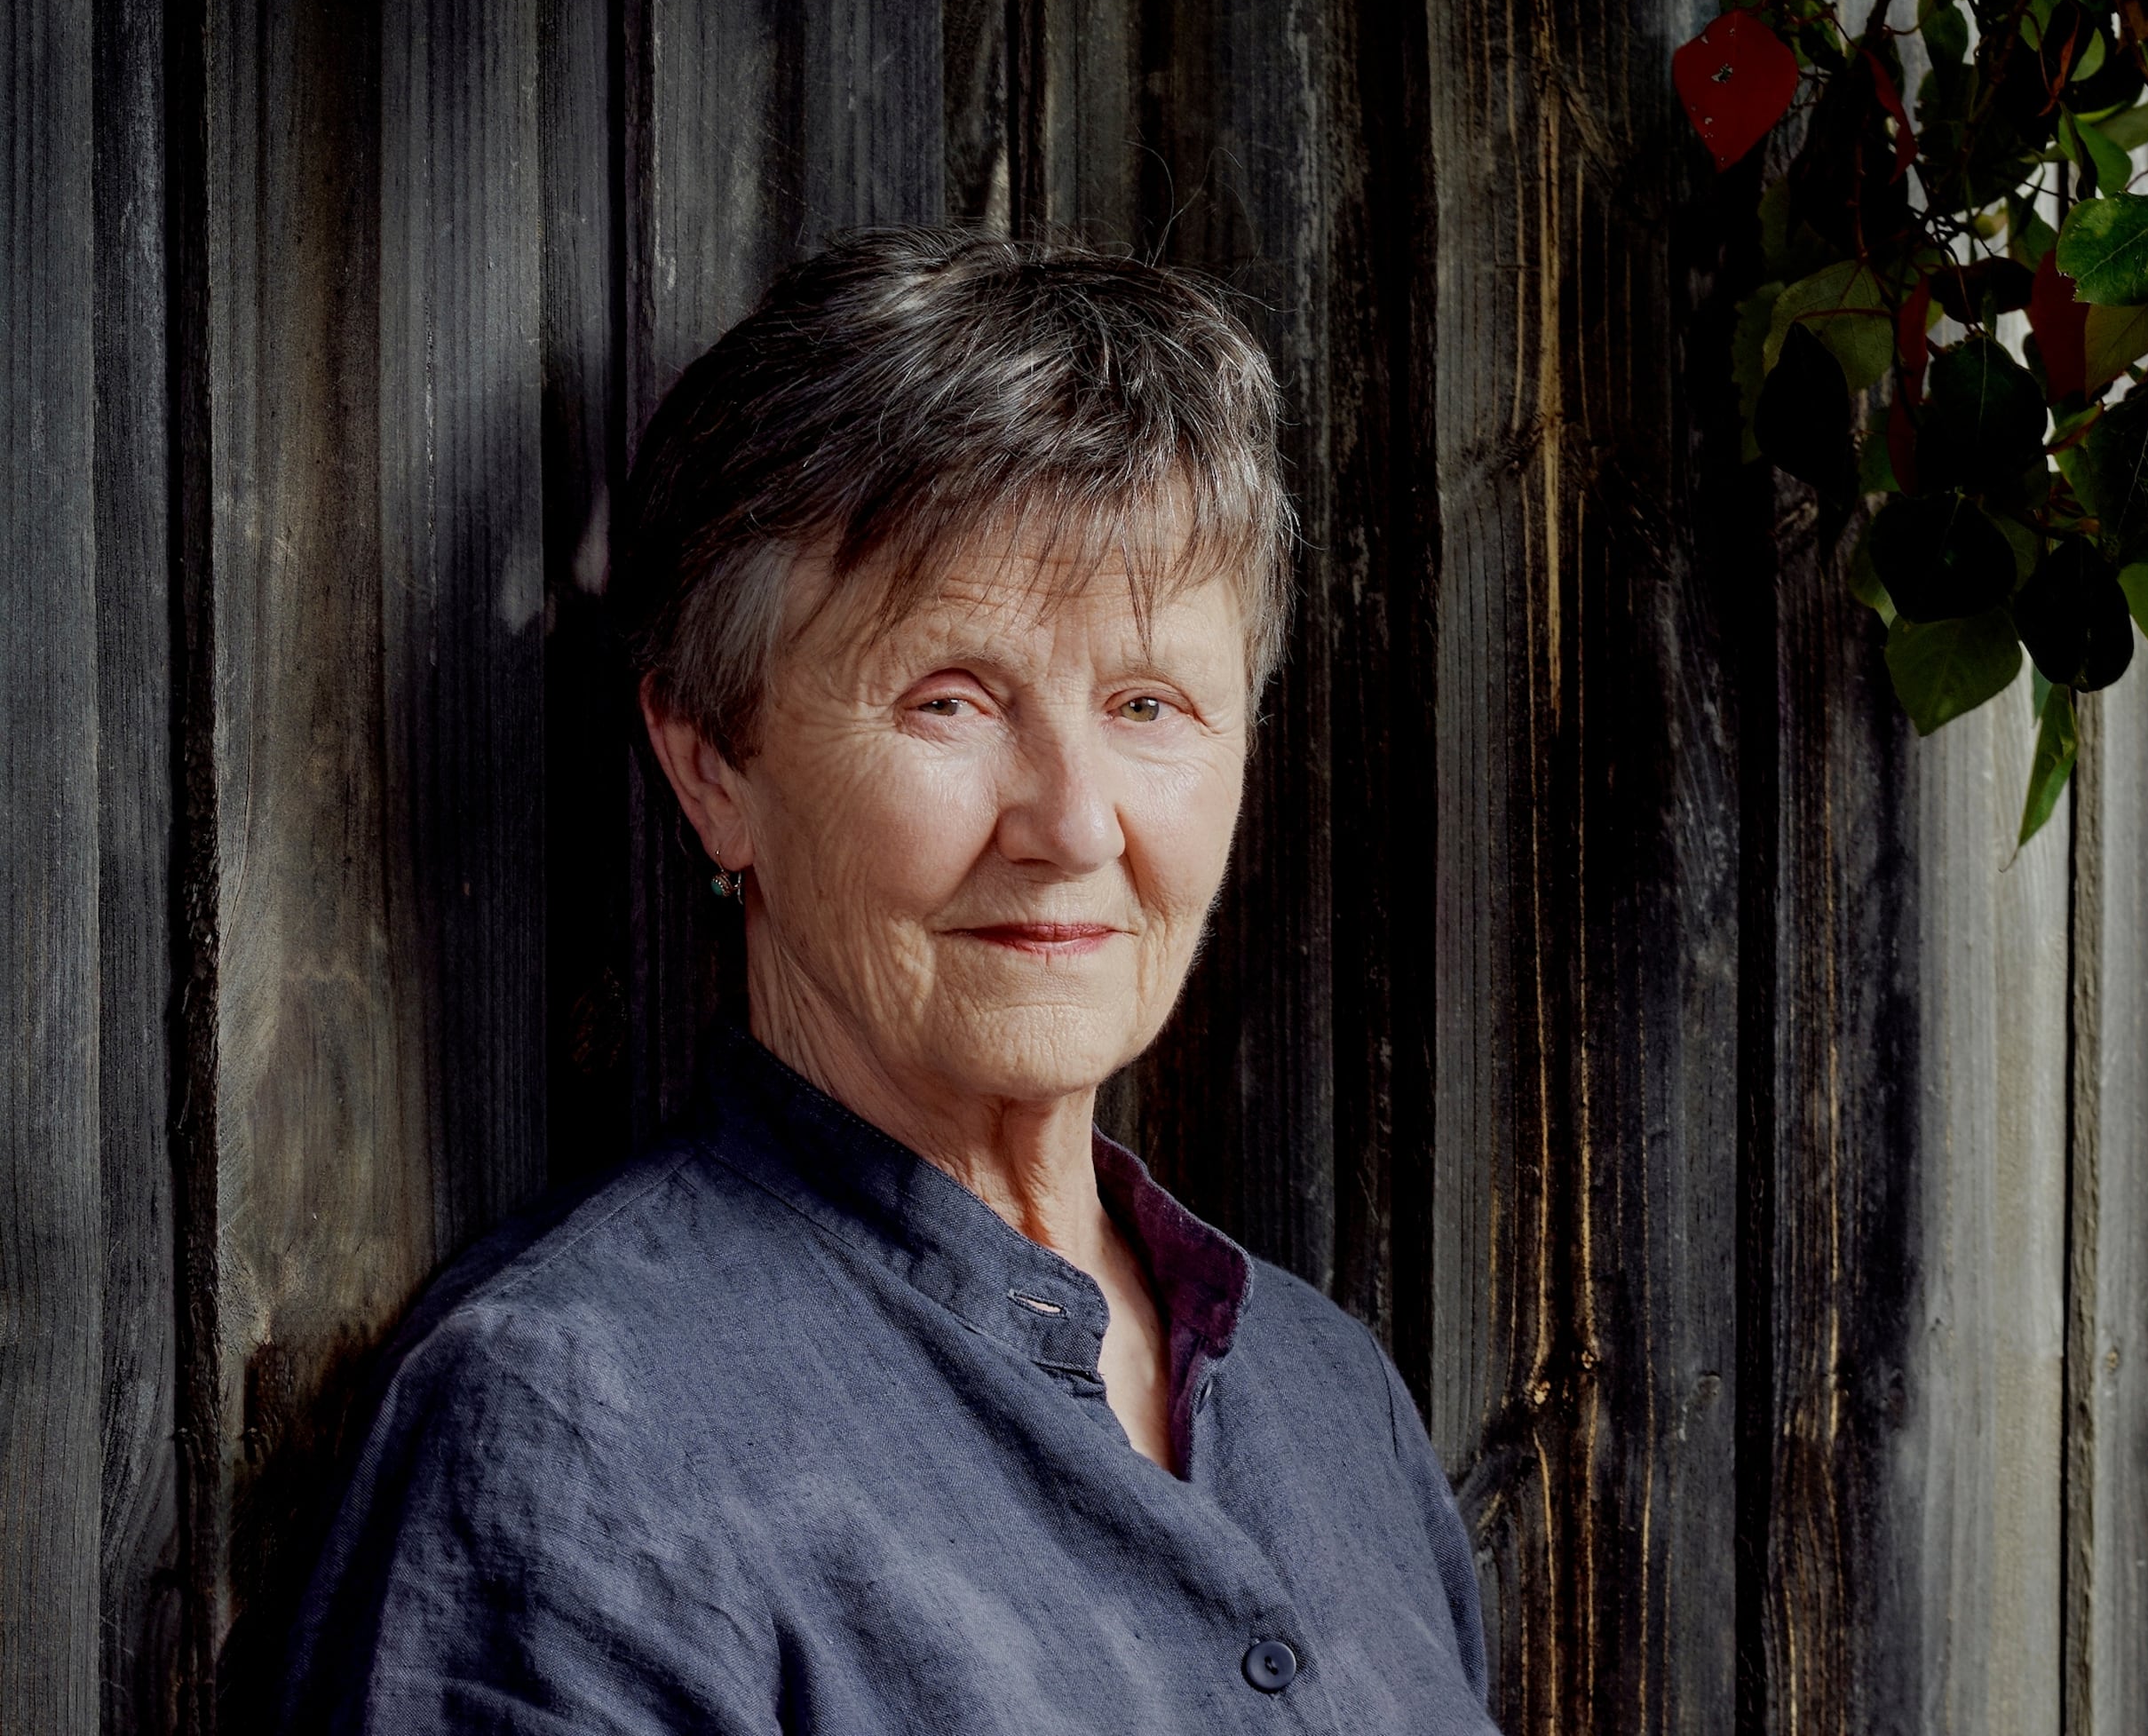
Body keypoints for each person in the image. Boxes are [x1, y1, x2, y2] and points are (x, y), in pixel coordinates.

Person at [279, 230, 1495, 1733]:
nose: (1071, 822)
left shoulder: (1328, 1399)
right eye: (952, 699)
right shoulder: (578, 1429)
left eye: (1146, 702)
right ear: (713, 764)